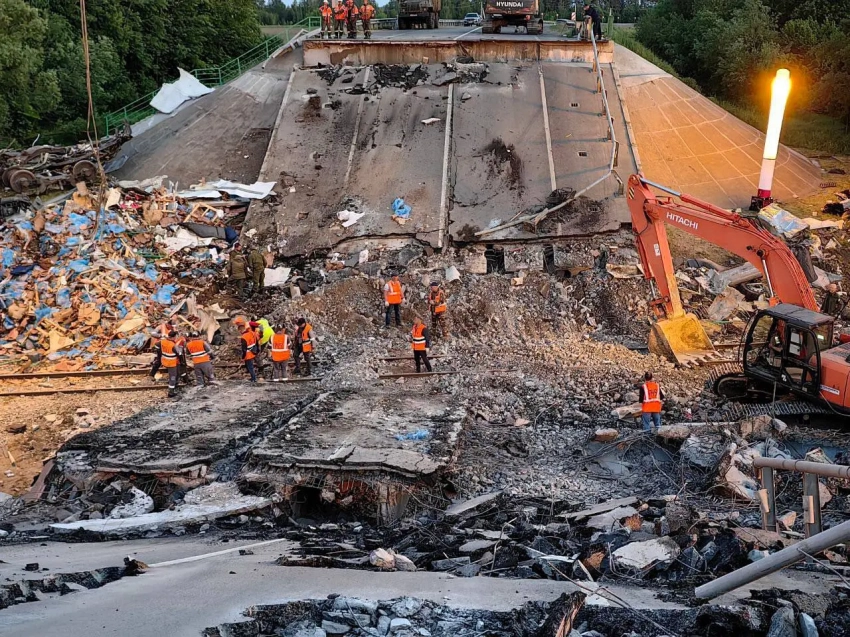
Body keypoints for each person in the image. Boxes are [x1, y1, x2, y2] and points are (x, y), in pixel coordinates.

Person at [160, 331, 182, 398]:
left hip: (165, 360)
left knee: (174, 374)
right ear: (173, 337)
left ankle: (174, 384)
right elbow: (179, 353)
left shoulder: (163, 341)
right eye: (175, 337)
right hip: (171, 362)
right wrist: (180, 348)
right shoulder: (172, 345)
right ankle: (171, 392)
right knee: (173, 376)